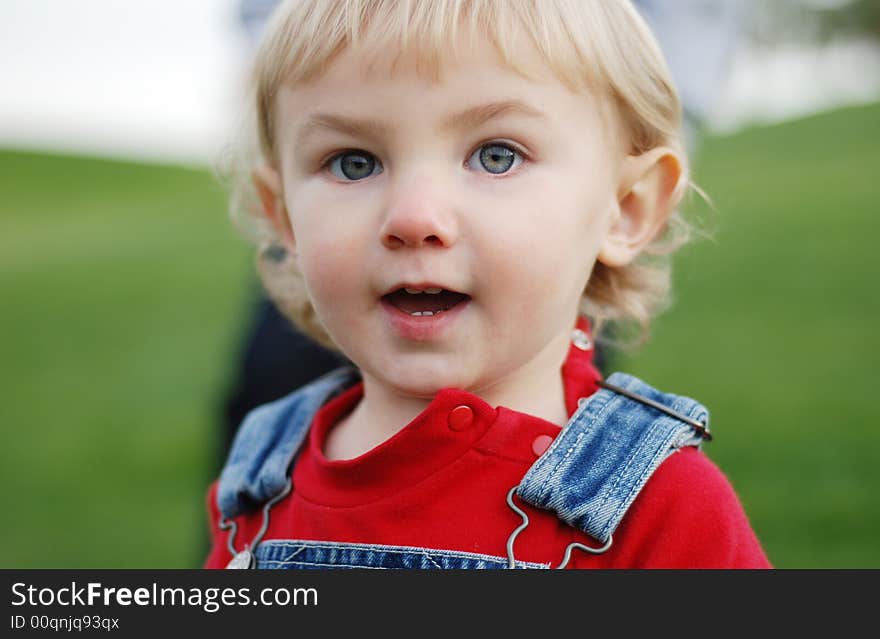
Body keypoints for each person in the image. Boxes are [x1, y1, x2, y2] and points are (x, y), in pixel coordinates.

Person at [205, 0, 770, 569]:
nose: (414, 218)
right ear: (284, 219)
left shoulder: (663, 509)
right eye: (354, 162)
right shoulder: (259, 479)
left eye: (496, 156)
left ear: (624, 208)